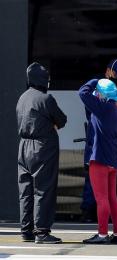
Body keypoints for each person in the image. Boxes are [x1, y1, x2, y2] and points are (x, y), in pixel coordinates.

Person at [16, 62, 67, 244]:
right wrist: (52, 124)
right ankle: (42, 232)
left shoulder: (22, 98)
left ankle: (26, 230)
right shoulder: (46, 99)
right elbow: (62, 119)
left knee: (26, 190)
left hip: (23, 147)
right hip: (43, 147)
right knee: (43, 189)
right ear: (43, 79)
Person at [81, 58, 117, 222]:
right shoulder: (99, 88)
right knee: (93, 179)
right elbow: (89, 107)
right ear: (109, 71)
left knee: (110, 183)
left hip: (114, 138)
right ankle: (88, 211)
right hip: (96, 136)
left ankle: (106, 220)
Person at [79, 78, 117, 244]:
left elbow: (82, 93)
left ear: (101, 95)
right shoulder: (116, 111)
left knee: (101, 199)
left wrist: (95, 80)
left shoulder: (102, 108)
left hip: (99, 159)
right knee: (112, 197)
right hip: (113, 160)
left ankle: (102, 234)